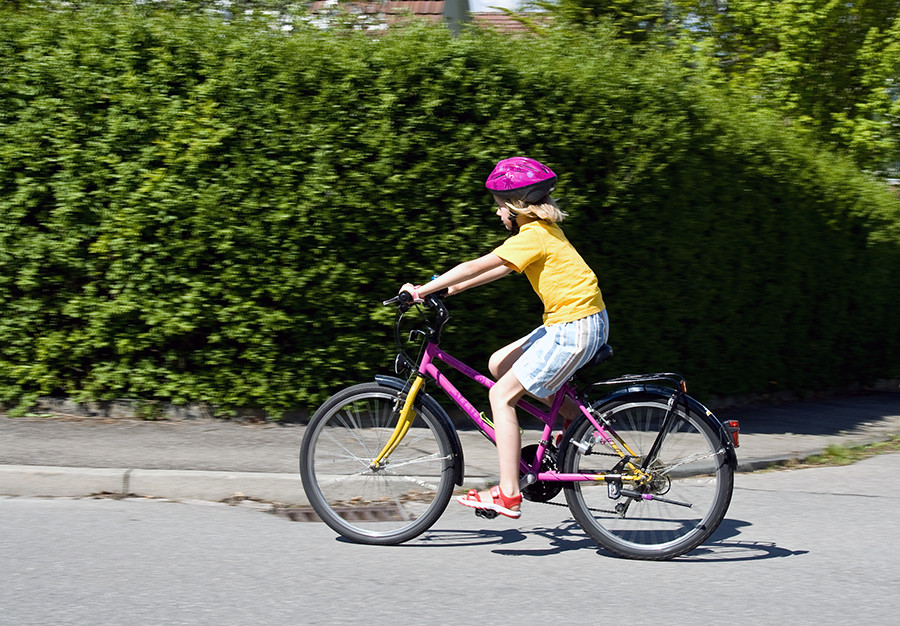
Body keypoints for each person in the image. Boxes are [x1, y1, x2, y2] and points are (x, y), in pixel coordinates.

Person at [399, 157, 608, 519]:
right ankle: (577, 424)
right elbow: (494, 271)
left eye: (499, 207)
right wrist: (449, 291)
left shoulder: (533, 235)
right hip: (574, 321)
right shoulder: (540, 233)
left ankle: (509, 493)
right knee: (500, 363)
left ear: (516, 207)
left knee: (500, 395)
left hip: (574, 327)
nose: (497, 215)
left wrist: (421, 290)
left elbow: (475, 264)